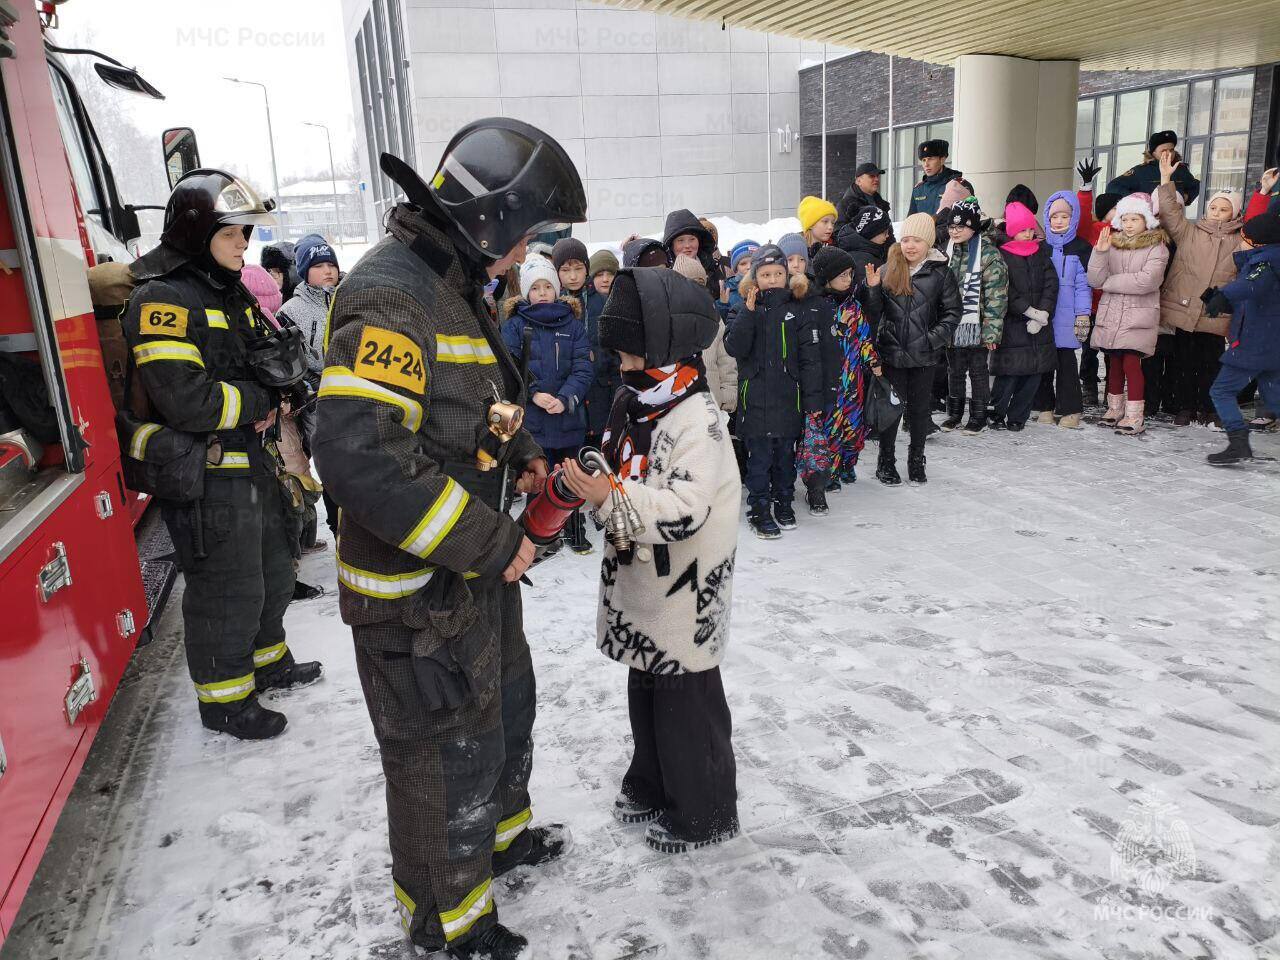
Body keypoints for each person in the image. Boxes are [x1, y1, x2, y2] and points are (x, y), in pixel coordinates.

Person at [313, 119, 587, 959]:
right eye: (527, 235)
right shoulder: (391, 296)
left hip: (469, 576)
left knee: (503, 710)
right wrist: (491, 544)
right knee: (441, 756)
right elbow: (363, 458)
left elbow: (477, 400)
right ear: (488, 221)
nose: (528, 254)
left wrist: (527, 453)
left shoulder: (450, 281)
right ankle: (449, 921)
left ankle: (501, 841)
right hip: (416, 596)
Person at [120, 169, 322, 740]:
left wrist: (286, 387)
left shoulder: (227, 291)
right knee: (227, 590)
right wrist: (263, 399)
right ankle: (226, 702)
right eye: (231, 233)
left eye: (245, 233)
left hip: (253, 461)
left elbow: (265, 358)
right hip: (206, 472)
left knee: (272, 574)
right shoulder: (162, 299)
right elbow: (188, 401)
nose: (244, 244)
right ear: (196, 232)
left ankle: (268, 665)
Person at [560, 266, 740, 855]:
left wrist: (609, 496)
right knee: (647, 692)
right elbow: (615, 458)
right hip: (642, 585)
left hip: (685, 591)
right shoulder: (635, 400)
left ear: (663, 350)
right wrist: (592, 475)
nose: (621, 366)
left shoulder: (698, 421)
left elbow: (687, 509)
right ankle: (654, 782)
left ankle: (705, 810)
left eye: (630, 355)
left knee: (687, 705)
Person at [242, 263, 327, 601]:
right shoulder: (264, 327)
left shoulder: (257, 324)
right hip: (276, 430)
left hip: (275, 429)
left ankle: (287, 571)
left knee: (286, 497)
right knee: (288, 497)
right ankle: (286, 578)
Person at [500, 257, 594, 555]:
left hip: (567, 417)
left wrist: (566, 398)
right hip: (534, 421)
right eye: (535, 287)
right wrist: (534, 394)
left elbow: (583, 367)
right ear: (526, 291)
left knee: (571, 477)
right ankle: (536, 534)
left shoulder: (573, 325)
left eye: (547, 286)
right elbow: (510, 367)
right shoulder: (515, 325)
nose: (542, 293)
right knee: (538, 477)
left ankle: (574, 529)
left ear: (557, 289)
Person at [861, 212, 961, 483]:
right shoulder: (888, 269)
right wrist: (872, 289)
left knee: (919, 411)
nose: (910, 246)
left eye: (917, 240)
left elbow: (952, 313)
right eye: (905, 240)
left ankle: (916, 460)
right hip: (892, 355)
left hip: (924, 357)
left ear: (928, 242)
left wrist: (931, 340)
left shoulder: (941, 273)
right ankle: (886, 461)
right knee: (891, 410)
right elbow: (873, 313)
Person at [1155, 154, 1244, 426]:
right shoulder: (1190, 232)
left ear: (1235, 213)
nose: (1217, 212)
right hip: (1185, 310)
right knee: (1183, 363)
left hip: (1215, 315)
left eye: (1224, 209)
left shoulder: (1240, 240)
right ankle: (1185, 407)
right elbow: (1170, 213)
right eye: (1214, 207)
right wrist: (1166, 179)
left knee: (1212, 364)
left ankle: (1209, 408)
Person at [725, 244, 805, 538]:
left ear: (787, 276)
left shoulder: (796, 308)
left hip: (788, 399)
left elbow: (808, 354)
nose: (772, 280)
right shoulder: (741, 308)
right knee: (758, 462)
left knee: (785, 458)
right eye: (766, 274)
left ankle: (784, 502)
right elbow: (734, 347)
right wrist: (748, 313)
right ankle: (759, 509)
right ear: (755, 277)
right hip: (755, 399)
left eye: (778, 274)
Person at [1087, 193, 1169, 436]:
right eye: (1125, 219)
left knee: (1132, 364)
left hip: (1138, 317)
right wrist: (1100, 253)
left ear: (1146, 220)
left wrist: (1111, 282)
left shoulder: (1157, 246)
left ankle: (1134, 415)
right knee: (1114, 363)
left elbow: (1147, 282)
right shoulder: (1111, 244)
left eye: (1135, 219)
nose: (1129, 224)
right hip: (1113, 315)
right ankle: (1115, 409)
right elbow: (1095, 280)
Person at [1202, 207, 1280, 463]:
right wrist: (1227, 303)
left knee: (1221, 391)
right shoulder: (1271, 259)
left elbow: (1252, 285)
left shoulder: (1265, 263)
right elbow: (1259, 299)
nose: (1242, 241)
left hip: (1254, 344)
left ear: (1258, 241)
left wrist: (1223, 295)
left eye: (1245, 237)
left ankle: (1238, 443)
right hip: (1271, 343)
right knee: (1275, 398)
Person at [990, 201, 1058, 432]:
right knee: (1008, 374)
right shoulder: (1001, 254)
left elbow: (1051, 284)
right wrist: (1028, 310)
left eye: (1031, 229)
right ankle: (997, 413)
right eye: (1022, 230)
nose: (1028, 234)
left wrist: (1043, 313)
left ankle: (1019, 416)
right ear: (1011, 231)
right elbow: (1004, 289)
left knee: (1033, 374)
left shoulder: (1041, 253)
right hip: (1013, 325)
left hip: (1039, 325)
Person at [797, 245, 856, 514]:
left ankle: (831, 473)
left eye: (850, 274)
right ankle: (816, 484)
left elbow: (863, 334)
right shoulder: (814, 305)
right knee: (815, 435)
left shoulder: (852, 303)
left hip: (845, 379)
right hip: (816, 380)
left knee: (838, 431)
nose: (848, 280)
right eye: (842, 275)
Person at [942, 199, 1008, 434]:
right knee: (955, 370)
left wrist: (991, 332)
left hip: (977, 325)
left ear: (973, 227)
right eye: (952, 226)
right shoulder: (947, 252)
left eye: (961, 226)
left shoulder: (989, 254)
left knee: (978, 371)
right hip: (952, 324)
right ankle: (955, 414)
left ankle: (978, 416)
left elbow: (996, 297)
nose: (955, 231)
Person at [1035, 191, 1092, 428]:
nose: (1059, 221)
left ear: (1073, 218)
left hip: (1068, 318)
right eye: (1054, 216)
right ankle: (1044, 407)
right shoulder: (1040, 248)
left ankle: (1070, 410)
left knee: (1067, 363)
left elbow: (1083, 286)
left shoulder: (1081, 248)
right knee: (1043, 363)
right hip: (1044, 315)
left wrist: (1083, 314)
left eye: (1064, 216)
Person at [673, 255, 737, 417]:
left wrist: (727, 396)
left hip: (713, 405)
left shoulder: (713, 316)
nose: (694, 289)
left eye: (699, 283)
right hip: (678, 409)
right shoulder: (667, 319)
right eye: (687, 283)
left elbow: (726, 360)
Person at [584, 249, 621, 448]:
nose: (605, 279)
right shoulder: (586, 305)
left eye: (610, 274)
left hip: (616, 384)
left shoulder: (625, 302)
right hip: (594, 387)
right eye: (599, 274)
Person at [1106, 130, 1201, 204]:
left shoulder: (1180, 170)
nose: (1169, 153)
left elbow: (1196, 185)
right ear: (1153, 153)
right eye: (1164, 150)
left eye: (1171, 150)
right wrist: (1137, 200)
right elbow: (1113, 186)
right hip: (1150, 219)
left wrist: (1186, 197)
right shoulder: (1141, 171)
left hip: (1175, 219)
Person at [661, 209, 720, 300]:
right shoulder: (664, 275)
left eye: (692, 239)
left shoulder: (712, 268)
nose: (687, 246)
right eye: (680, 240)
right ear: (671, 245)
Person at [836, 205, 893, 289]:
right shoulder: (865, 262)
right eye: (884, 232)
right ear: (871, 233)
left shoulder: (867, 253)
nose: (888, 235)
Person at [907, 140, 963, 217]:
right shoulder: (918, 189)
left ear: (942, 160)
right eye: (923, 160)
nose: (926, 164)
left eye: (930, 159)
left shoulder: (957, 185)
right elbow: (911, 219)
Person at [834, 161, 889, 231]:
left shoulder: (882, 204)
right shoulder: (846, 204)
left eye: (877, 176)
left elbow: (888, 231)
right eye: (872, 176)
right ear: (858, 181)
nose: (876, 179)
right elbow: (839, 233)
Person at [722, 239, 758, 321]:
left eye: (753, 262)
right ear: (736, 268)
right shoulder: (727, 290)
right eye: (743, 263)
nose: (749, 267)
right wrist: (723, 305)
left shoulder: (767, 285)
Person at [552, 236, 590, 311]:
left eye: (578, 269)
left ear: (587, 270)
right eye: (565, 270)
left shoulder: (603, 301)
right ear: (557, 272)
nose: (573, 277)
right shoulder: (551, 302)